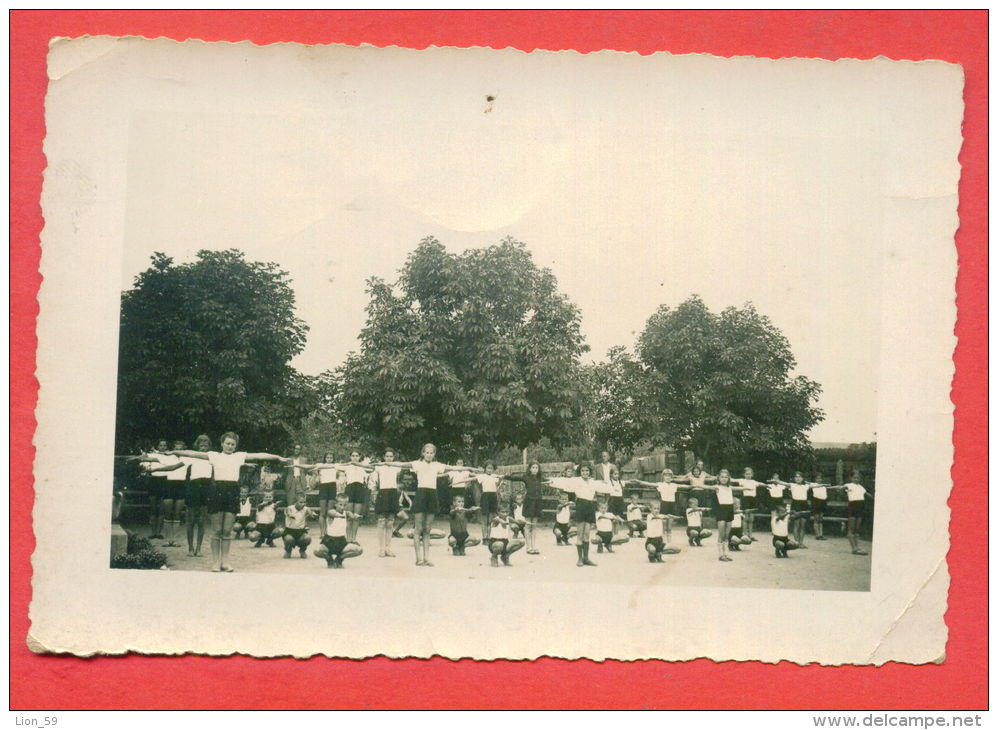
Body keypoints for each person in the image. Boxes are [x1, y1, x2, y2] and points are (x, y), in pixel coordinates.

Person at [170, 433, 289, 572]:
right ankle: (215, 562)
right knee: (217, 530)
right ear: (222, 444)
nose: (230, 446)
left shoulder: (239, 456)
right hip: (217, 492)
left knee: (226, 531)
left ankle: (225, 562)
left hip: (232, 492)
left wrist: (279, 458)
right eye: (227, 443)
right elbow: (192, 454)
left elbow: (260, 455)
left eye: (232, 444)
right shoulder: (214, 455)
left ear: (235, 446)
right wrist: (173, 451)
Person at [373, 444, 469, 567]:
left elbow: (454, 468)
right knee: (418, 529)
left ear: (434, 454)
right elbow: (399, 464)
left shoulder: (437, 465)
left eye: (431, 453)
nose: (429, 454)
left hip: (432, 496)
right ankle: (418, 558)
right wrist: (383, 464)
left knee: (427, 529)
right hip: (421, 495)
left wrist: (472, 469)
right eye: (427, 452)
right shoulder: (417, 464)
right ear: (423, 453)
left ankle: (427, 558)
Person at [300, 453, 347, 538]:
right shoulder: (320, 465)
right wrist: (297, 465)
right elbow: (308, 467)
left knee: (330, 512)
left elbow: (346, 467)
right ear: (325, 458)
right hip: (323, 487)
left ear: (333, 459)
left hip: (332, 487)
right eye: (327, 457)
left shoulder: (336, 465)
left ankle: (329, 532)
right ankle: (322, 533)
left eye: (331, 458)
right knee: (322, 512)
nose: (329, 459)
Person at [505, 462, 547, 555]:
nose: (535, 469)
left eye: (537, 467)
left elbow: (550, 481)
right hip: (529, 503)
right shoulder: (526, 477)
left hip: (537, 503)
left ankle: (534, 546)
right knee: (528, 525)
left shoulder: (541, 478)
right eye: (533, 467)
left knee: (534, 525)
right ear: (530, 469)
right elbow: (514, 478)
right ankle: (528, 547)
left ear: (538, 469)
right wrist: (504, 476)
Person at [628, 469, 680, 544]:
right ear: (663, 477)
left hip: (672, 505)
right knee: (663, 525)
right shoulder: (660, 484)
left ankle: (669, 543)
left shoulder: (674, 485)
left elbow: (686, 486)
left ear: (672, 477)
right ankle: (663, 542)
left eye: (669, 476)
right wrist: (639, 482)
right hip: (664, 505)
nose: (668, 477)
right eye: (666, 475)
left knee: (669, 527)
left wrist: (698, 485)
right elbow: (649, 484)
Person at [183, 434, 214, 557]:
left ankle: (199, 548)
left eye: (206, 445)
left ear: (209, 446)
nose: (203, 448)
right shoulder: (192, 457)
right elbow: (177, 466)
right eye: (201, 445)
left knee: (201, 521)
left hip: (206, 488)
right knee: (190, 521)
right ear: (197, 446)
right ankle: (190, 548)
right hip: (193, 487)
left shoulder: (212, 458)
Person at [372, 448, 403, 557]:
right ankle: (381, 549)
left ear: (393, 457)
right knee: (381, 522)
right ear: (384, 457)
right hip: (383, 493)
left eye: (391, 456)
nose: (389, 458)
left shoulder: (397, 466)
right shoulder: (379, 466)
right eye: (387, 456)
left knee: (390, 523)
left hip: (393, 494)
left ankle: (388, 548)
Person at [318, 493, 364, 568]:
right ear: (335, 504)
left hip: (341, 541)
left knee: (359, 550)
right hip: (329, 540)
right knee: (317, 551)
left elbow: (352, 516)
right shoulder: (331, 512)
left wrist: (355, 516)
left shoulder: (347, 513)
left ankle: (339, 559)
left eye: (345, 505)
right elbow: (331, 513)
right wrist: (338, 515)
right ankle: (329, 559)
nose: (343, 507)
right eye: (340, 504)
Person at [702, 468, 736, 562]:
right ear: (719, 478)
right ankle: (721, 554)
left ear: (728, 478)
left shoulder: (730, 487)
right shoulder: (716, 487)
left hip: (729, 509)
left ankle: (726, 553)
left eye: (726, 477)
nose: (724, 479)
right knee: (721, 533)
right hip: (721, 510)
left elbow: (741, 488)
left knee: (727, 534)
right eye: (722, 477)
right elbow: (704, 486)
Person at [341, 451, 375, 543]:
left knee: (356, 516)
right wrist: (349, 463)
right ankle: (348, 539)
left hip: (360, 489)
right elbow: (337, 466)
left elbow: (372, 468)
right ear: (350, 457)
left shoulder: (363, 466)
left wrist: (360, 465)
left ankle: (354, 538)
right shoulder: (347, 466)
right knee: (349, 516)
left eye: (357, 456)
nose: (355, 457)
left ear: (360, 457)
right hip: (350, 489)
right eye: (353, 456)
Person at [570, 464, 599, 567]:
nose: (585, 472)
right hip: (581, 506)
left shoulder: (593, 482)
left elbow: (605, 485)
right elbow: (564, 482)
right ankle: (580, 559)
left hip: (590, 506)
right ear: (580, 472)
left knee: (587, 534)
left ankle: (586, 558)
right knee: (580, 534)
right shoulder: (576, 481)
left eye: (587, 470)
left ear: (589, 471)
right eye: (583, 471)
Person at [730, 466, 764, 542]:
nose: (748, 475)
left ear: (752, 475)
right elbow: (733, 480)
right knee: (745, 518)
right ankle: (745, 534)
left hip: (753, 500)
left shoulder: (754, 482)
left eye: (749, 474)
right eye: (746, 474)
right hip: (746, 499)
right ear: (744, 474)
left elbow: (761, 484)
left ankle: (751, 535)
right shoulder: (742, 480)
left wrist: (767, 485)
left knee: (751, 518)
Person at [844, 473, 872, 555]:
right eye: (854, 478)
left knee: (857, 529)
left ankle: (857, 548)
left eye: (858, 478)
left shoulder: (861, 487)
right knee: (851, 530)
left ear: (860, 479)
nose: (856, 479)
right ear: (851, 478)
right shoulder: (848, 485)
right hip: (852, 506)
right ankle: (854, 549)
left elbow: (867, 495)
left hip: (860, 507)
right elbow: (842, 488)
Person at [488, 502, 525, 567]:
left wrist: (524, 522)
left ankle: (505, 557)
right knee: (500, 544)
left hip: (505, 542)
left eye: (507, 512)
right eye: (503, 512)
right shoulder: (496, 519)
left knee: (521, 542)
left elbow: (518, 522)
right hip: (494, 543)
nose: (505, 514)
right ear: (498, 512)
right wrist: (501, 521)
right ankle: (493, 557)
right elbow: (496, 520)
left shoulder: (509, 518)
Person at [475, 463, 504, 542]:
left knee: (490, 520)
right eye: (488, 468)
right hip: (485, 497)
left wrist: (500, 479)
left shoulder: (495, 476)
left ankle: (489, 537)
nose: (489, 470)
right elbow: (478, 484)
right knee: (484, 519)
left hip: (493, 497)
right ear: (485, 469)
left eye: (491, 468)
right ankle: (484, 538)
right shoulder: (482, 476)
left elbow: (497, 485)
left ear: (493, 469)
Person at [282, 493, 316, 559]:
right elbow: (288, 513)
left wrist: (312, 514)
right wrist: (290, 515)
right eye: (301, 502)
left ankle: (302, 550)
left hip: (300, 531)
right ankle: (288, 551)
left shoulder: (306, 509)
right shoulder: (290, 508)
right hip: (290, 531)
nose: (303, 504)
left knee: (307, 538)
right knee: (289, 539)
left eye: (304, 502)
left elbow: (311, 513)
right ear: (295, 502)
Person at [810, 474, 829, 541]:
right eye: (817, 478)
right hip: (816, 502)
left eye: (820, 478)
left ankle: (821, 534)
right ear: (815, 479)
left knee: (821, 519)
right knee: (816, 518)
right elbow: (806, 483)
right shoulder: (813, 484)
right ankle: (817, 535)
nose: (819, 479)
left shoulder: (824, 487)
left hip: (823, 502)